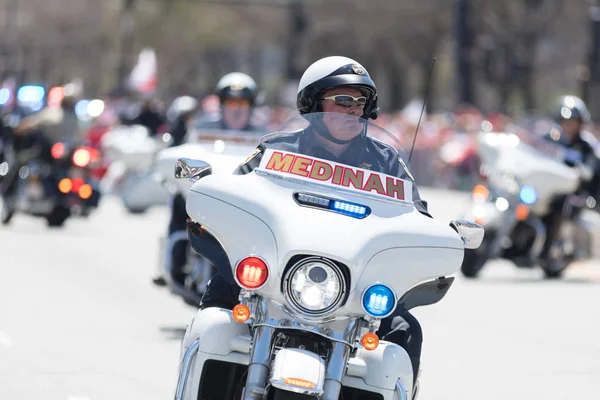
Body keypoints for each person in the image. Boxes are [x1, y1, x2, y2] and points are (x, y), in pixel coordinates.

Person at [198, 56, 431, 385]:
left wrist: (432, 236)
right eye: (343, 100)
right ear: (312, 103)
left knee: (406, 331)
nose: (354, 109)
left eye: (360, 102)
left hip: (355, 284)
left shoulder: (387, 163)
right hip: (277, 275)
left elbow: (418, 216)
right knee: (216, 309)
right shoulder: (275, 151)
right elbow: (237, 199)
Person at [153, 72, 263, 288]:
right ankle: (173, 260)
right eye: (231, 102)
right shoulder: (202, 127)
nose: (237, 108)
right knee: (177, 201)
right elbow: (184, 152)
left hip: (240, 200)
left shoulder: (264, 134)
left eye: (243, 103)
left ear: (251, 106)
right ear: (222, 104)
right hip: (204, 193)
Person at [541, 95, 600, 269]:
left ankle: (552, 246)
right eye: (565, 121)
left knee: (563, 205)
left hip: (577, 192)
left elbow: (592, 167)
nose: (568, 125)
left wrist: (585, 170)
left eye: (573, 121)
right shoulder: (550, 138)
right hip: (549, 189)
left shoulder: (587, 144)